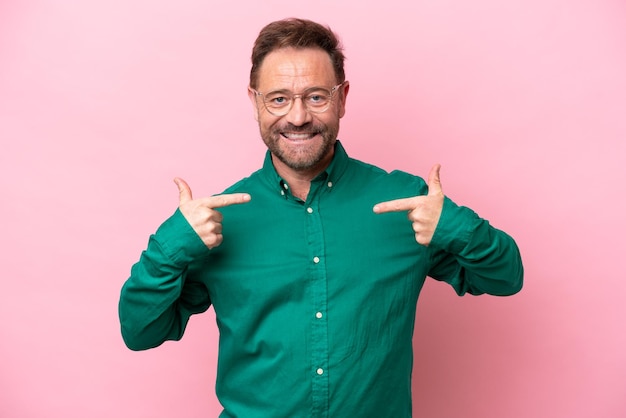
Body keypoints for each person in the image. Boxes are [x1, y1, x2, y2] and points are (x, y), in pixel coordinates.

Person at [118, 17, 523, 418]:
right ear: (254, 101)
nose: (297, 117)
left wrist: (453, 225)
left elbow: (505, 277)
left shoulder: (407, 203)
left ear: (342, 97)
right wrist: (172, 246)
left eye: (316, 97)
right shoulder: (216, 221)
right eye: (278, 98)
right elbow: (140, 332)